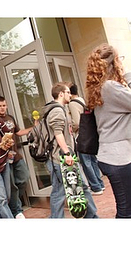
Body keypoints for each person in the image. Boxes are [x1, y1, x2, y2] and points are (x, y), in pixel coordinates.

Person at [85, 43, 131, 218]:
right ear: (115, 63)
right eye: (120, 59)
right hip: (118, 157)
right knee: (126, 211)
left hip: (113, 155)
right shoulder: (110, 87)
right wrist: (127, 74)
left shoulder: (101, 88)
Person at [44, 82, 98, 218]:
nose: (70, 95)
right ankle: (90, 217)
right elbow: (58, 133)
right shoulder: (57, 110)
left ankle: (89, 216)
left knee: (68, 190)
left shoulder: (60, 109)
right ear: (61, 94)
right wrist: (67, 154)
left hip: (62, 158)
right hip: (61, 159)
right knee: (71, 190)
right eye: (67, 92)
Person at [0, 96, 32, 219]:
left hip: (16, 156)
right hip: (4, 158)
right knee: (12, 186)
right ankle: (17, 211)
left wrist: (34, 127)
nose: (2, 108)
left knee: (24, 178)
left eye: (4, 105)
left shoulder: (10, 118)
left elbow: (18, 132)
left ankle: (14, 204)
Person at [68, 83, 105, 195]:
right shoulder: (82, 100)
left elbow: (76, 122)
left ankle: (95, 187)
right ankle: (100, 184)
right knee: (93, 160)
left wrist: (71, 128)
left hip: (81, 136)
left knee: (86, 162)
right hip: (90, 135)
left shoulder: (73, 104)